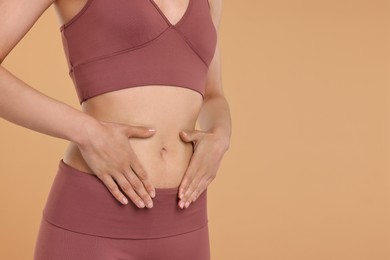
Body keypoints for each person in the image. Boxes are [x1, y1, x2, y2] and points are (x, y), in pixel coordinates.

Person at [0, 0, 231, 259]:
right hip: (94, 220)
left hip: (187, 223)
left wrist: (221, 134)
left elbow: (212, 94)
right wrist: (84, 130)